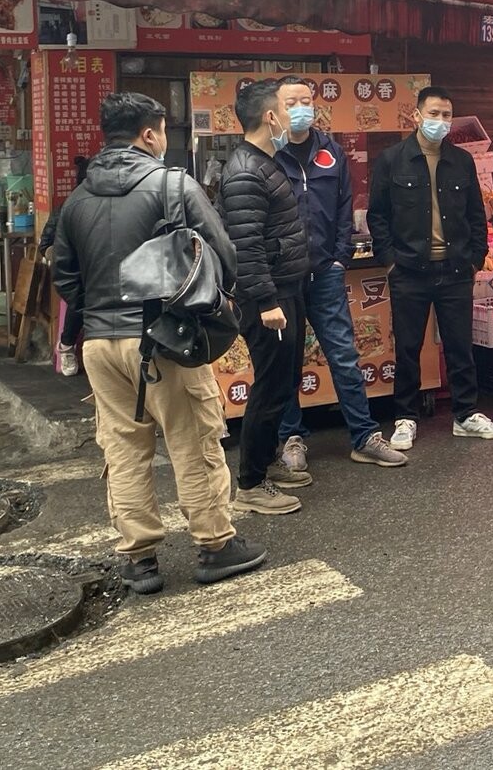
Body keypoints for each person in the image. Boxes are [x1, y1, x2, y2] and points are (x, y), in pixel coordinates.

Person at [53, 92, 265, 594]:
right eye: (163, 131)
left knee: (123, 448)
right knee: (193, 441)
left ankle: (139, 558)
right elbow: (224, 254)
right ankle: (215, 544)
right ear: (149, 134)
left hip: (100, 344)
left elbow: (65, 276)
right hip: (166, 339)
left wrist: (102, 315)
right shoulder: (173, 184)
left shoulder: (76, 199)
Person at [273, 78, 407, 471]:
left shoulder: (330, 150)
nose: (301, 108)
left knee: (345, 356)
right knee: (287, 360)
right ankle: (290, 437)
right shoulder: (268, 154)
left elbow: (345, 204)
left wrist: (339, 257)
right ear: (275, 110)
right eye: (291, 102)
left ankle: (364, 437)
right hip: (284, 277)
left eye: (306, 100)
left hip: (326, 273)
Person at [368, 85, 493, 450]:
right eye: (433, 114)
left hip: (455, 269)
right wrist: (390, 260)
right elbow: (377, 215)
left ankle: (465, 414)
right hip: (408, 270)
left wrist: (475, 258)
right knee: (407, 348)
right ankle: (405, 418)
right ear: (416, 115)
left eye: (446, 115)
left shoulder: (461, 161)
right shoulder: (392, 160)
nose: (440, 121)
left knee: (460, 346)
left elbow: (476, 214)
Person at [220, 79, 311, 515]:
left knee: (285, 382)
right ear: (270, 116)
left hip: (286, 289)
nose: (293, 116)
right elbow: (246, 246)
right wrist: (267, 301)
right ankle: (251, 484)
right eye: (285, 108)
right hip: (267, 299)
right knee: (270, 386)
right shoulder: (245, 171)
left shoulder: (266, 162)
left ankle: (267, 461)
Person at [40, 156, 90, 376]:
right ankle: (67, 345)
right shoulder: (66, 208)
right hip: (70, 272)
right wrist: (59, 254)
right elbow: (45, 244)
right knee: (80, 295)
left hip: (95, 269)